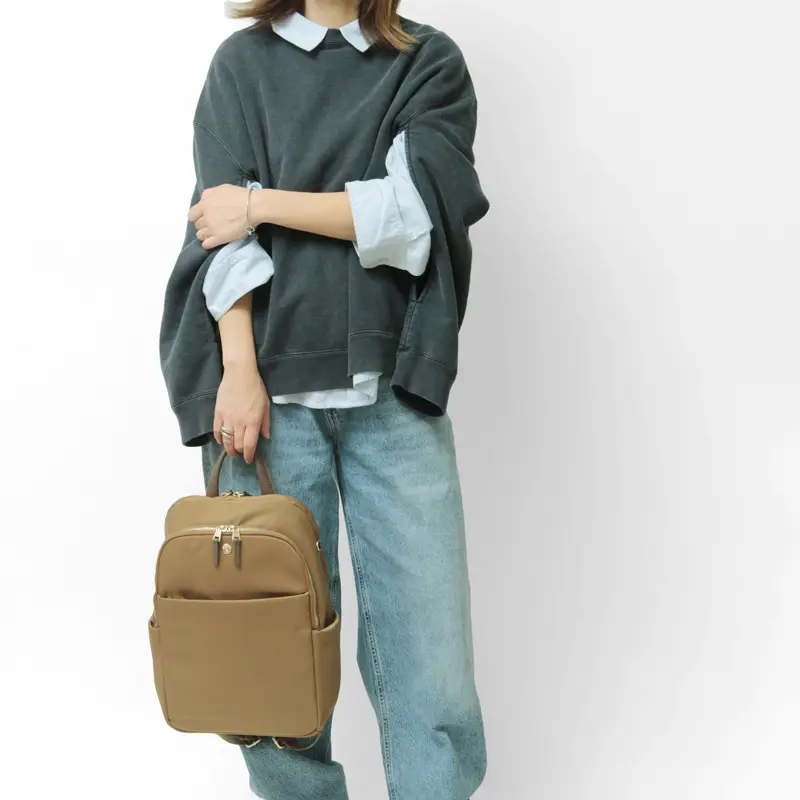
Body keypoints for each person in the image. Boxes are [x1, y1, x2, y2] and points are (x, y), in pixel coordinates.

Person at [158, 1, 490, 797]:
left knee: (433, 669)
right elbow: (217, 233)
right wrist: (239, 369)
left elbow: (412, 219)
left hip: (394, 398)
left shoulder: (426, 62)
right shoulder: (242, 66)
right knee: (268, 666)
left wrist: (261, 202)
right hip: (266, 405)